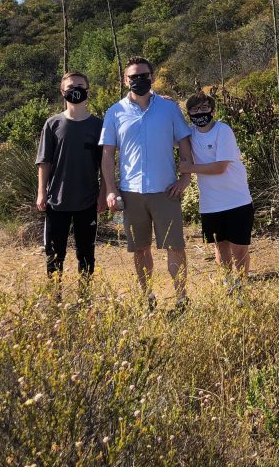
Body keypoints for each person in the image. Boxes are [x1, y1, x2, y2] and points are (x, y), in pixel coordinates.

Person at [100, 56, 194, 312]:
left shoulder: (169, 108)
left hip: (166, 190)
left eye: (144, 76)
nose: (139, 80)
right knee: (140, 249)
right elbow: (108, 154)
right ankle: (147, 298)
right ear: (125, 80)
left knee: (175, 246)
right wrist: (110, 189)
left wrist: (185, 178)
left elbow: (184, 142)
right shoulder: (114, 112)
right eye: (133, 77)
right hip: (132, 193)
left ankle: (181, 299)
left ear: (152, 77)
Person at [35, 71, 106, 290]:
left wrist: (104, 193)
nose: (75, 89)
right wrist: (41, 192)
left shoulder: (99, 125)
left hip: (88, 201)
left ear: (88, 90)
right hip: (57, 200)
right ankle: (55, 297)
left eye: (80, 85)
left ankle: (85, 296)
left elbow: (105, 164)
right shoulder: (53, 124)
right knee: (55, 254)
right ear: (62, 92)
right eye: (70, 86)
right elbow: (44, 161)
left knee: (86, 253)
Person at [178, 92, 255, 286]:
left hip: (237, 200)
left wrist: (189, 169)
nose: (200, 113)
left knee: (239, 248)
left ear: (213, 110)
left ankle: (242, 284)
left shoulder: (223, 131)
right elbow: (167, 133)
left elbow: (220, 167)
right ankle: (228, 284)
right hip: (211, 204)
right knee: (220, 248)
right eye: (194, 109)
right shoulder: (189, 135)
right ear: (188, 113)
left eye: (204, 108)